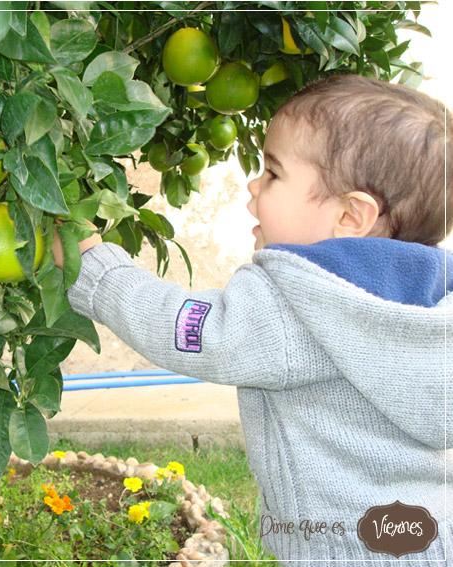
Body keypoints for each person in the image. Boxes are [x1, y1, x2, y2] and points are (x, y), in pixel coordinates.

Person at [52, 73, 452, 566]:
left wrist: (95, 266)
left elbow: (186, 329)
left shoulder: (302, 302)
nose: (254, 184)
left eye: (274, 173)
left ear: (350, 217)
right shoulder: (430, 305)